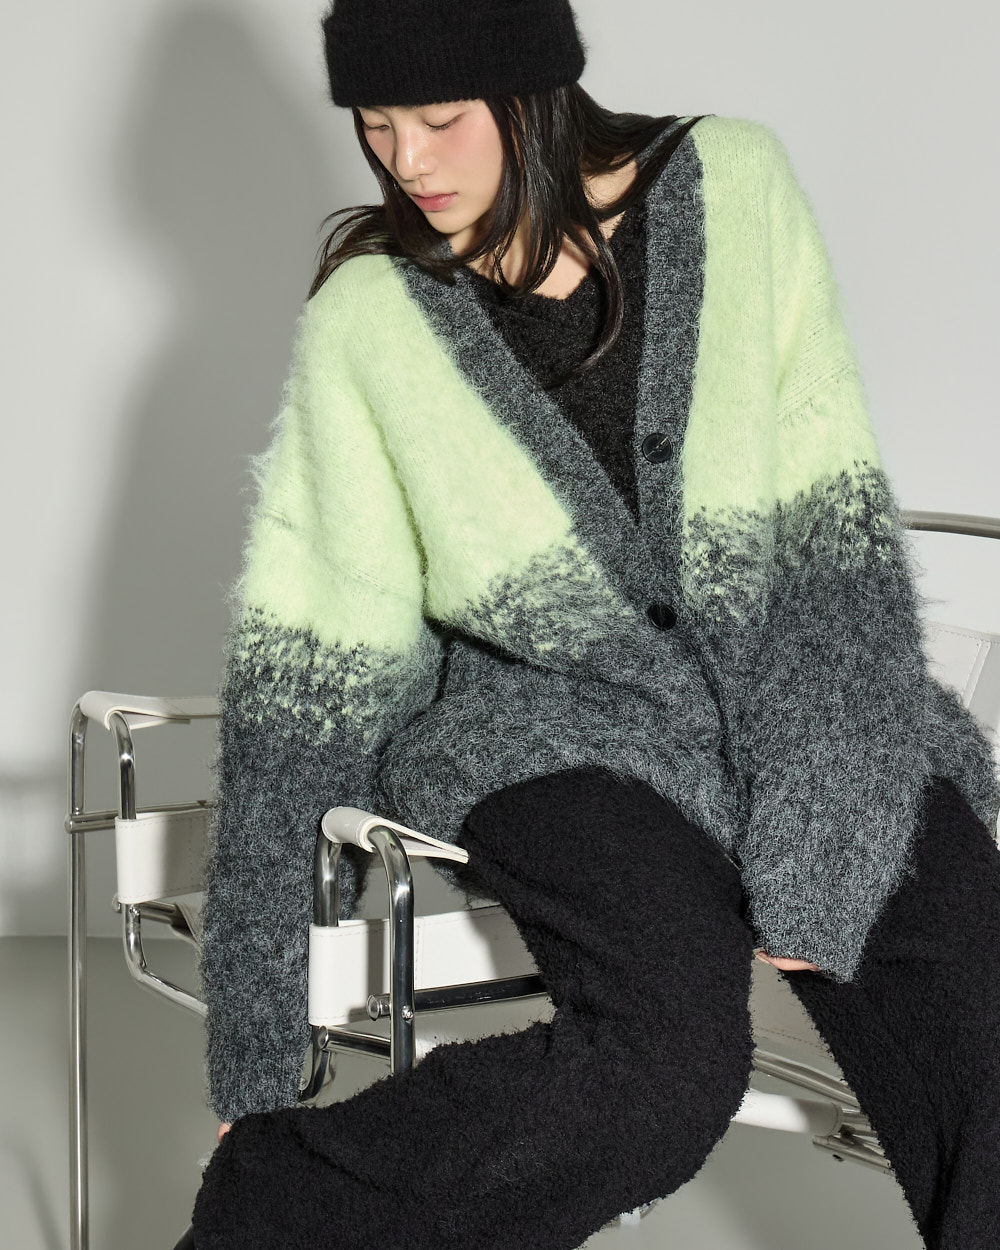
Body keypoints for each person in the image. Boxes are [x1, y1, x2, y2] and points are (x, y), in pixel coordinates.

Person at [189, 1, 1000, 1247]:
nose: (407, 161)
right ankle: (273, 1207)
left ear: (536, 88)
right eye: (375, 123)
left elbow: (825, 541)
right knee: (661, 1066)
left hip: (799, 683)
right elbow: (312, 666)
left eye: (440, 118)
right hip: (542, 733)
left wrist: (817, 853)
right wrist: (255, 1052)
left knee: (978, 1002)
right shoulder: (370, 319)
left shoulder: (733, 184)